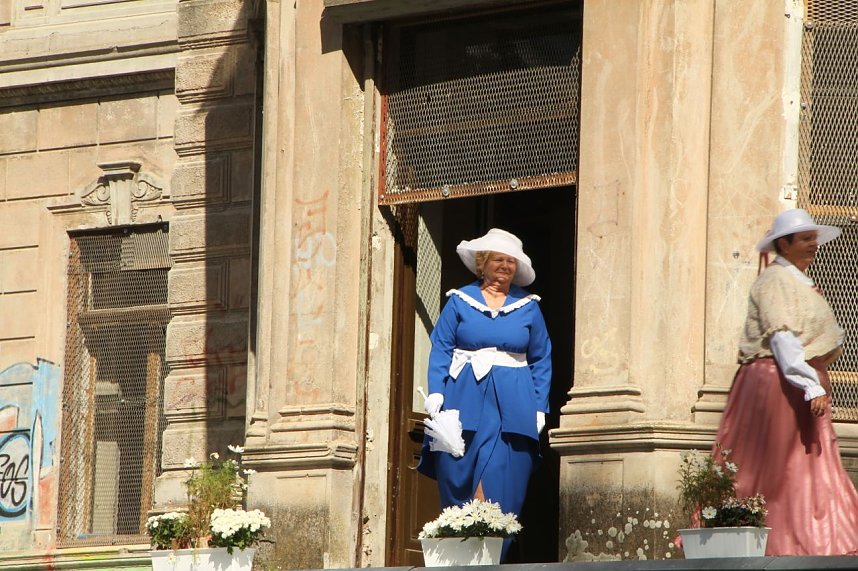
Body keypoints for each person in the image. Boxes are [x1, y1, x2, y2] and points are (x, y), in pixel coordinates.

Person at [715, 208, 858, 555]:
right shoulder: (776, 281)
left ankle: (818, 540)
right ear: (785, 242)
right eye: (806, 238)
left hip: (794, 382)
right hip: (779, 383)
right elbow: (783, 339)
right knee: (780, 469)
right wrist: (810, 384)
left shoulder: (796, 280)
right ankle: (784, 545)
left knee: (807, 466)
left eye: (813, 238)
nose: (814, 245)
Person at [417, 228, 552, 558]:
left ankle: (494, 558)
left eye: (511, 261)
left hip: (514, 409)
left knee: (505, 481)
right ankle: (458, 556)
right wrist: (436, 393)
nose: (505, 266)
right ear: (483, 264)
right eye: (498, 260)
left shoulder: (529, 307)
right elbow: (441, 348)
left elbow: (541, 358)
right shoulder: (459, 301)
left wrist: (539, 407)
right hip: (464, 402)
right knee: (457, 472)